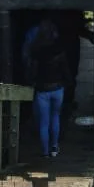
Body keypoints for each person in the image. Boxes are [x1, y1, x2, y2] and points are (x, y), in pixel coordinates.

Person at [27, 19, 68, 158]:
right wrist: (67, 82)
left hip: (42, 90)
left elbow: (32, 71)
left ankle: (45, 152)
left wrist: (32, 81)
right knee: (55, 117)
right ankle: (54, 148)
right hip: (57, 88)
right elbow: (65, 70)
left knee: (44, 122)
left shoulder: (36, 50)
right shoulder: (59, 50)